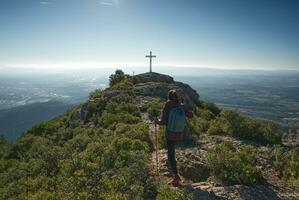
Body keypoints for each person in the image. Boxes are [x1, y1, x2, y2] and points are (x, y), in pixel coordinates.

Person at [155, 89, 193, 186]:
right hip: (179, 133)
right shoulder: (181, 105)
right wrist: (186, 107)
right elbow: (190, 115)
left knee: (171, 153)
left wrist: (156, 121)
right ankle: (171, 166)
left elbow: (163, 122)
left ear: (169, 97)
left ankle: (175, 177)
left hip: (170, 133)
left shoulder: (168, 104)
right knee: (171, 150)